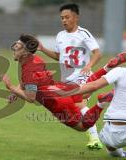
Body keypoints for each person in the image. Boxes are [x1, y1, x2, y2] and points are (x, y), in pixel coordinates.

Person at [2, 34, 126, 133]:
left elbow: (30, 97)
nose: (14, 48)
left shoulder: (27, 69)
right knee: (87, 91)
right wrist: (18, 92)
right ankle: (107, 67)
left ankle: (101, 104)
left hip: (56, 101)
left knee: (82, 126)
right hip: (58, 88)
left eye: (17, 47)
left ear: (25, 52)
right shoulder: (35, 59)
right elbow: (29, 81)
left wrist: (12, 88)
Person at [57, 45, 126, 158]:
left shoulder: (121, 71)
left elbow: (93, 86)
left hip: (115, 131)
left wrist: (66, 91)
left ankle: (101, 104)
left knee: (111, 145)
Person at [38, 3, 102, 149]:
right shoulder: (60, 35)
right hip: (67, 80)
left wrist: (89, 65)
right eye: (62, 18)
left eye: (67, 17)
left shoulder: (83, 33)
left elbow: (97, 53)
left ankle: (95, 138)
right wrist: (42, 49)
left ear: (76, 17)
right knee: (76, 107)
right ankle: (97, 137)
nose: (64, 20)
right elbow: (58, 56)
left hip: (82, 75)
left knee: (81, 104)